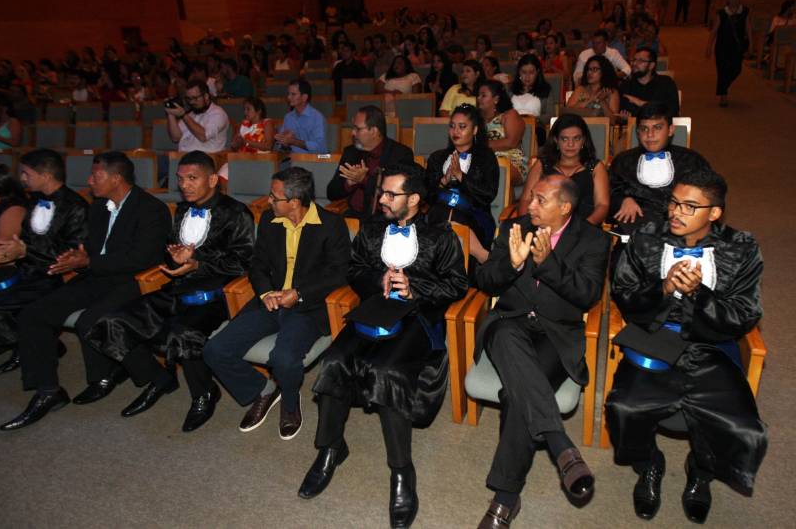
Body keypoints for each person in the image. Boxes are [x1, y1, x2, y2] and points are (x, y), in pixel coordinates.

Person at [297, 164, 468, 529]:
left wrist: (417, 289)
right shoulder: (371, 230)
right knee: (334, 361)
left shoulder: (441, 236)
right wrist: (378, 279)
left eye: (391, 194)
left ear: (415, 199)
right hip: (373, 311)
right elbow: (353, 270)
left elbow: (457, 285)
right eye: (382, 193)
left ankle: (402, 472)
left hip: (418, 318)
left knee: (387, 372)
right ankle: (330, 449)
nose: (383, 200)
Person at [605, 168, 767, 524]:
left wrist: (700, 294)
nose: (676, 212)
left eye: (690, 207)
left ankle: (701, 472)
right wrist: (663, 289)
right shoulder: (647, 237)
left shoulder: (739, 249)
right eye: (674, 203)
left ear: (715, 213)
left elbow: (745, 314)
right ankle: (650, 464)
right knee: (624, 407)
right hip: (653, 338)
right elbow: (623, 293)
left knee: (743, 426)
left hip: (710, 344)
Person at [82, 151, 254, 432]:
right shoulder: (182, 210)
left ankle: (204, 393)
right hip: (177, 287)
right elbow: (170, 250)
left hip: (215, 296)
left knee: (182, 333)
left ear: (212, 179)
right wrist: (174, 258)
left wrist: (197, 263)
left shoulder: (236, 213)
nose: (184, 185)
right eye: (180, 179)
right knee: (114, 321)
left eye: (192, 178)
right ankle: (158, 379)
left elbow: (243, 263)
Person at [474, 174, 610, 527]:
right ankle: (559, 442)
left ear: (565, 207)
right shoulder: (513, 228)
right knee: (504, 336)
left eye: (540, 201)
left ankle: (506, 498)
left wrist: (548, 263)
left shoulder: (593, 240)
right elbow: (484, 280)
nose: (529, 206)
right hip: (508, 324)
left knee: (519, 397)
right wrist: (513, 264)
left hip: (555, 333)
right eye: (531, 198)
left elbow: (587, 295)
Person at [0, 151, 170, 431]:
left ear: (116, 178)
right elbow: (85, 248)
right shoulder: (98, 206)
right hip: (95, 275)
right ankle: (48, 391)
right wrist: (74, 260)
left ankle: (155, 376)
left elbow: (144, 258)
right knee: (34, 314)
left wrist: (89, 261)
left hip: (133, 279)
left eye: (96, 175)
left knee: (90, 320)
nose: (89, 180)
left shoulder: (151, 209)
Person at [204, 167, 350, 439]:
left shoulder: (331, 225)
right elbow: (257, 264)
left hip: (308, 307)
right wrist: (265, 293)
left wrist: (298, 293)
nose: (268, 200)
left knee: (283, 358)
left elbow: (338, 274)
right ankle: (265, 391)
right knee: (215, 349)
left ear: (294, 202)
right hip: (269, 302)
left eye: (274, 196)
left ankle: (290, 404)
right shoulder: (270, 220)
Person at [0, 151, 86, 375]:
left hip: (56, 278)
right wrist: (13, 252)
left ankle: (39, 344)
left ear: (45, 175)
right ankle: (31, 345)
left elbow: (72, 255)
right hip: (27, 271)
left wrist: (26, 250)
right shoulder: (34, 199)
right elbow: (24, 239)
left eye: (26, 173)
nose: (22, 179)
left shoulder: (76, 206)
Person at [609, 102, 710, 235]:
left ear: (670, 130)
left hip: (682, 229)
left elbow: (710, 195)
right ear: (637, 132)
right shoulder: (623, 161)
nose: (650, 135)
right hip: (637, 232)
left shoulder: (691, 161)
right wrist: (622, 200)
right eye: (644, 129)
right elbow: (607, 191)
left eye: (657, 127)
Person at [426, 104, 499, 269]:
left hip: (475, 215)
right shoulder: (437, 158)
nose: (455, 131)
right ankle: (481, 256)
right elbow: (427, 196)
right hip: (439, 213)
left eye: (462, 127)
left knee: (451, 219)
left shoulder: (486, 157)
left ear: (474, 130)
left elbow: (488, 194)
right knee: (444, 214)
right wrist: (443, 181)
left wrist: (461, 176)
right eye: (452, 126)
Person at [519, 114, 610, 226]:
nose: (570, 144)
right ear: (556, 140)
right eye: (564, 139)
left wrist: (584, 228)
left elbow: (602, 205)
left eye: (576, 138)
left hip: (584, 229)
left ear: (583, 141)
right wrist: (525, 226)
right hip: (543, 229)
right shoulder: (542, 165)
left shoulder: (595, 167)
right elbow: (526, 200)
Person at [326, 105, 414, 218]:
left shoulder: (400, 154)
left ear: (373, 131)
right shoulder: (351, 152)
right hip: (352, 215)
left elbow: (397, 196)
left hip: (384, 219)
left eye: (358, 129)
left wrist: (364, 180)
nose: (353, 133)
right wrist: (349, 183)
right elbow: (331, 192)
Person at [706, 0, 752, 107]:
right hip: (722, 47)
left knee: (737, 69)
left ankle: (723, 87)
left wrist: (751, 44)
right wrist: (709, 47)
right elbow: (714, 32)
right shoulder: (721, 13)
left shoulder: (745, 12)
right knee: (722, 71)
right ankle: (723, 96)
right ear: (728, 0)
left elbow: (748, 29)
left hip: (737, 47)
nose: (734, 0)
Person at [478, 80, 527, 179]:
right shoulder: (476, 120)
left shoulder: (509, 115)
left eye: (483, 95)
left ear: (496, 99)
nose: (478, 98)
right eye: (478, 95)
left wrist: (480, 145)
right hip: (482, 161)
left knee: (485, 171)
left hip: (510, 161)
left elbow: (511, 142)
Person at [166, 79, 230, 154]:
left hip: (205, 159)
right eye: (188, 99)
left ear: (206, 96)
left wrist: (183, 115)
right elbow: (175, 138)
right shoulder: (190, 114)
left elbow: (203, 136)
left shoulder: (218, 114)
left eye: (195, 98)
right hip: (183, 156)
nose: (191, 102)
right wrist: (170, 114)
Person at [620, 48, 679, 117]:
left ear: (651, 65)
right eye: (634, 60)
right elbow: (623, 112)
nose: (634, 63)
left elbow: (672, 111)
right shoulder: (626, 85)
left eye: (640, 61)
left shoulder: (666, 83)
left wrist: (641, 103)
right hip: (633, 127)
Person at [274, 79, 328, 154]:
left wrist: (294, 141)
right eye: (288, 94)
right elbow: (280, 148)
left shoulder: (317, 117)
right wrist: (284, 142)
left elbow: (320, 148)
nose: (289, 97)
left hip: (313, 160)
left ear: (304, 97)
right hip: (292, 159)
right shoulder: (288, 117)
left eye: (293, 94)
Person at [510, 54, 555, 139]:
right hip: (512, 126)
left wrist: (533, 119)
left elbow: (550, 115)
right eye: (524, 72)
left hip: (536, 127)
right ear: (519, 72)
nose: (527, 77)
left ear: (537, 72)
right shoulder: (511, 90)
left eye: (531, 72)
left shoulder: (546, 89)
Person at [566, 55, 621, 120]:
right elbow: (567, 111)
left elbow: (613, 121)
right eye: (588, 69)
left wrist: (602, 101)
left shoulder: (611, 92)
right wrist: (591, 99)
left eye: (594, 69)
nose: (589, 72)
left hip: (600, 128)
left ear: (604, 71)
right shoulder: (580, 89)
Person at [424, 51, 458, 115]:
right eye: (434, 61)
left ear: (445, 62)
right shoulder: (429, 77)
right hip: (430, 106)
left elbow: (452, 95)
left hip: (446, 107)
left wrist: (439, 90)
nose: (435, 64)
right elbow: (426, 94)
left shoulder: (452, 76)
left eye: (439, 61)